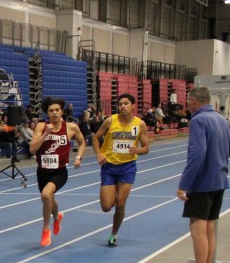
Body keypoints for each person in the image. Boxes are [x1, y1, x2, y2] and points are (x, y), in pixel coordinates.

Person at [174, 87, 230, 263]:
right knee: (209, 228)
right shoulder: (221, 119)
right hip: (220, 179)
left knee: (197, 229)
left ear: (193, 100)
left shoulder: (198, 121)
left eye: (187, 100)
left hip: (202, 183)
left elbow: (197, 154)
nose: (187, 104)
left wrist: (184, 184)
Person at [91, 93, 150, 247]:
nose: (123, 106)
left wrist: (138, 150)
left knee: (120, 203)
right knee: (106, 207)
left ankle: (113, 234)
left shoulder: (140, 124)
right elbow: (95, 138)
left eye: (126, 103)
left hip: (128, 167)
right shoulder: (110, 121)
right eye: (120, 104)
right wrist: (99, 154)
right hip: (109, 167)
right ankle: (112, 195)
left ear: (133, 106)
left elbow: (146, 147)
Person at [29, 98, 85, 247]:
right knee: (49, 198)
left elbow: (82, 142)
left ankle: (46, 229)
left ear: (62, 111)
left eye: (57, 110)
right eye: (51, 111)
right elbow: (32, 149)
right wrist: (45, 134)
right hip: (42, 171)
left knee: (46, 195)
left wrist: (78, 157)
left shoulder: (71, 128)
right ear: (47, 113)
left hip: (60, 171)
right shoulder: (41, 126)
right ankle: (57, 217)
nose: (54, 113)